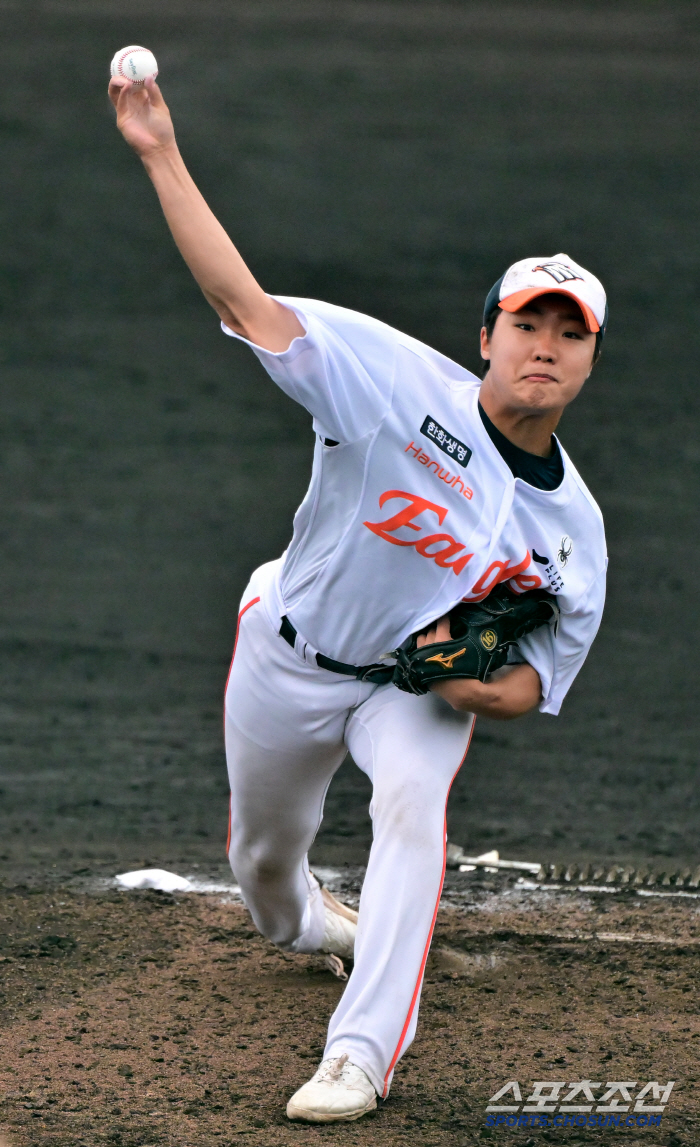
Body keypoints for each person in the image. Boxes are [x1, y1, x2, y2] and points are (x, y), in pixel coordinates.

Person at [109, 74, 608, 1124]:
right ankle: (312, 927)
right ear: (488, 337)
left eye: (569, 333)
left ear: (587, 360)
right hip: (288, 653)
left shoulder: (577, 533)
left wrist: (479, 691)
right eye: (527, 324)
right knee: (262, 871)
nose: (544, 347)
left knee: (411, 810)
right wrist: (160, 153)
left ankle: (360, 1054)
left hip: (409, 690)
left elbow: (537, 677)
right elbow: (242, 304)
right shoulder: (386, 382)